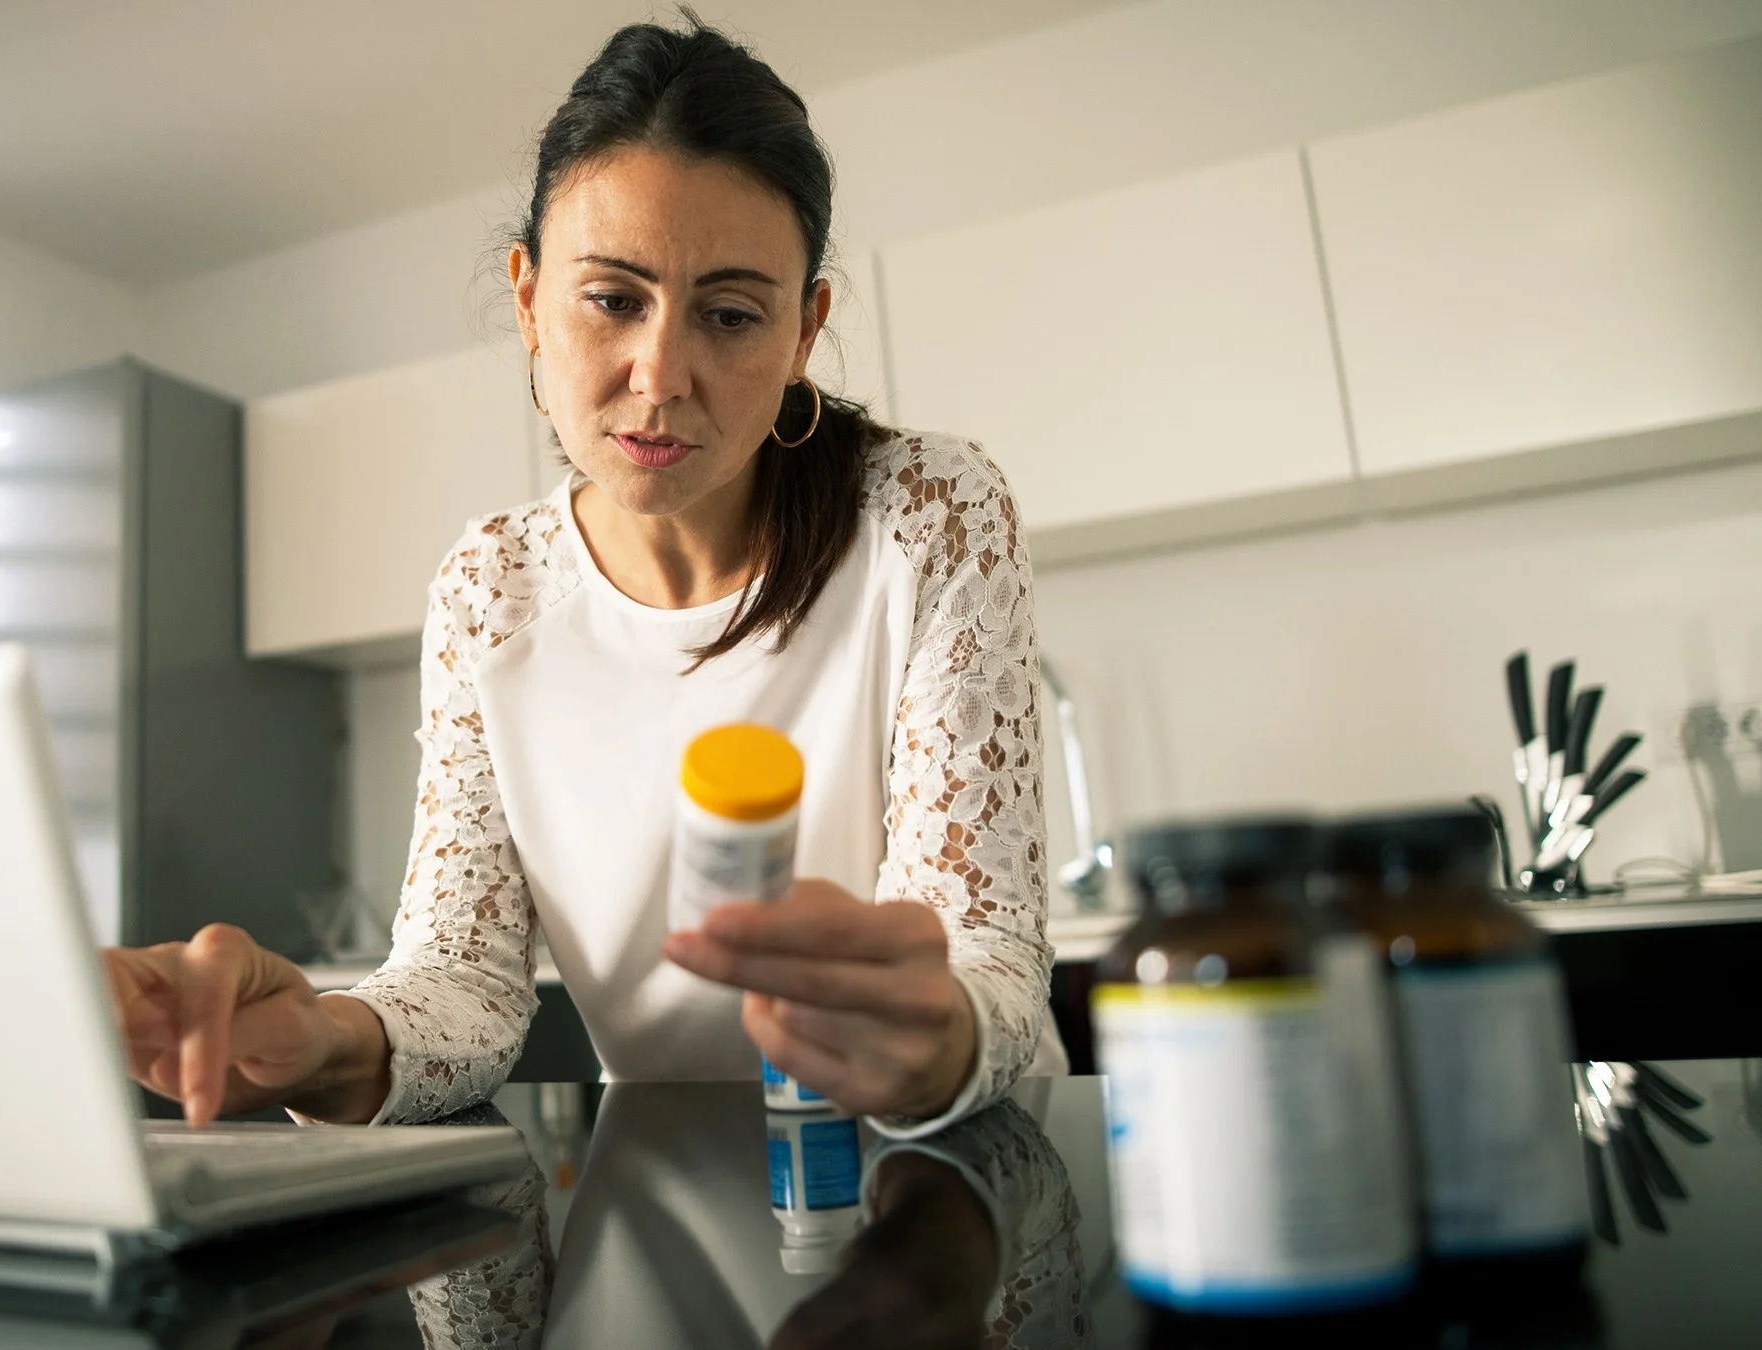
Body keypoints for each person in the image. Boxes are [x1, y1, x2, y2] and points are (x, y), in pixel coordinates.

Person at [103, 13, 1057, 1139]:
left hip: (959, 1165)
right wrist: (322, 1039)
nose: (660, 377)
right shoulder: (489, 590)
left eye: (732, 314)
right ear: (527, 301)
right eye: (612, 300)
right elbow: (460, 983)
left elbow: (982, 944)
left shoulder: (929, 514)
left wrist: (936, 1034)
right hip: (655, 1207)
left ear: (805, 334)